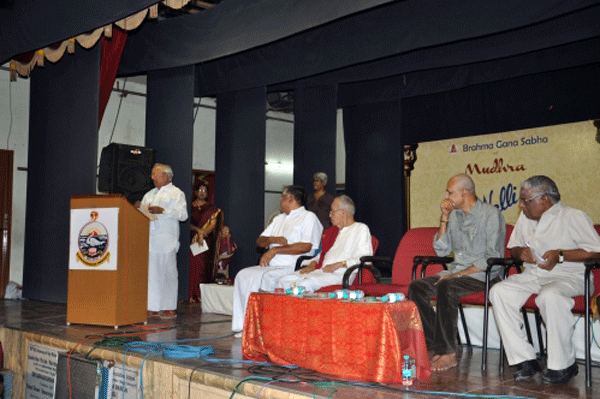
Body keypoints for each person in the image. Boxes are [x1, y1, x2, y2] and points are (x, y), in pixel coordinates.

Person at [490, 175, 600, 384]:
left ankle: (563, 365)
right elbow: (513, 248)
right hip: (533, 275)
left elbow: (596, 252)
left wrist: (560, 255)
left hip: (569, 276)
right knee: (499, 291)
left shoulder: (572, 216)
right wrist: (520, 252)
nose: (521, 205)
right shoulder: (526, 218)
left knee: (549, 295)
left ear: (545, 199)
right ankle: (525, 359)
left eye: (526, 200)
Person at [408, 173, 505, 371]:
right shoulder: (454, 215)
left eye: (450, 192)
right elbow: (441, 249)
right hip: (457, 272)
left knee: (447, 285)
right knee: (416, 287)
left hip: (484, 274)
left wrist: (457, 275)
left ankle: (448, 353)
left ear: (464, 193)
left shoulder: (491, 214)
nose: (446, 196)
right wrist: (444, 217)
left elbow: (492, 257)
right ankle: (433, 346)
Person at [231, 185, 322, 334]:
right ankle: (243, 326)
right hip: (271, 265)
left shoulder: (308, 217)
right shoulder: (279, 219)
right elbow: (260, 241)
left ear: (290, 198)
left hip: (292, 266)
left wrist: (275, 250)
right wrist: (272, 239)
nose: (280, 200)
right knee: (242, 275)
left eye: (282, 197)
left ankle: (262, 329)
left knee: (263, 278)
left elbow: (306, 246)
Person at [277, 195, 372, 292]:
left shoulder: (360, 229)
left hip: (340, 274)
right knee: (283, 280)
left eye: (332, 211)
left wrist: (340, 264)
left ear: (343, 212)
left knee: (304, 284)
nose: (330, 215)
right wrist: (313, 263)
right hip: (322, 272)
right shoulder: (333, 232)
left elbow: (366, 258)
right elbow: (323, 254)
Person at [139, 164, 188, 319]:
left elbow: (183, 215)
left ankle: (168, 307)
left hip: (168, 240)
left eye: (156, 174)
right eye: (152, 174)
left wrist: (163, 211)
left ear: (167, 176)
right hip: (151, 239)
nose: (152, 177)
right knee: (152, 274)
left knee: (168, 273)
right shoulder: (149, 194)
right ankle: (152, 306)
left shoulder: (176, 193)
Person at [188, 179, 221, 302]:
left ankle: (199, 295)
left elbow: (212, 224)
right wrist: (197, 231)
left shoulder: (211, 209)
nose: (202, 193)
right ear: (196, 192)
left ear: (208, 194)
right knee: (190, 266)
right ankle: (190, 294)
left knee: (201, 266)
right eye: (200, 190)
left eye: (205, 191)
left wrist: (202, 234)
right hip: (190, 239)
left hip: (203, 242)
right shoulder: (189, 207)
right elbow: (188, 224)